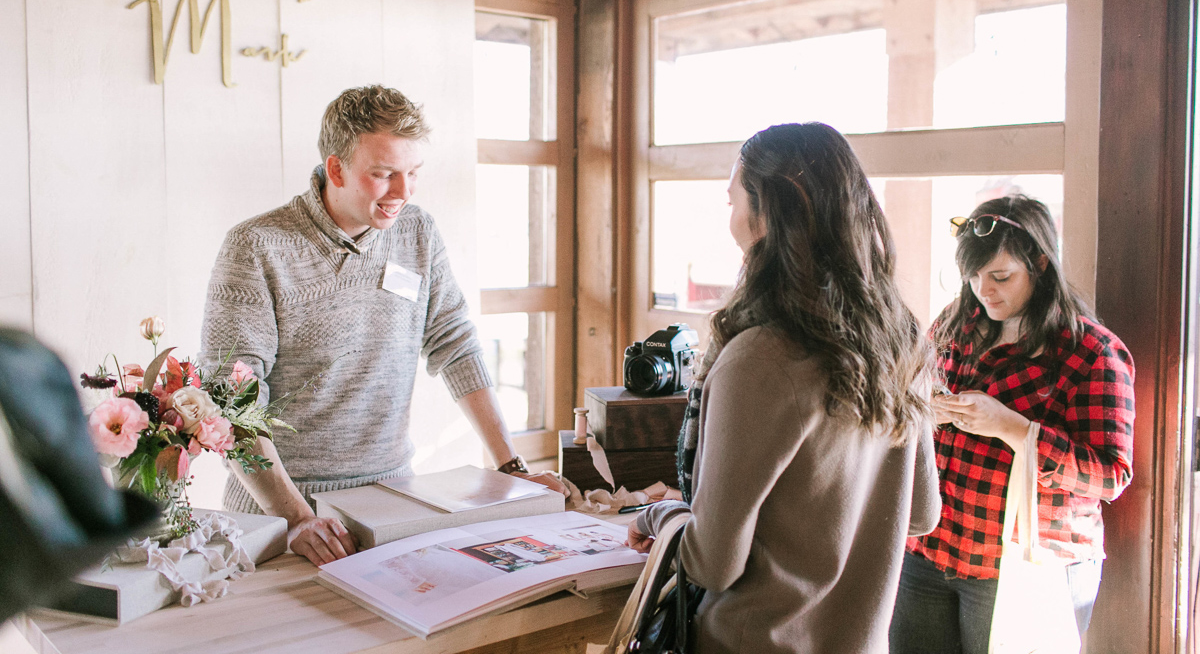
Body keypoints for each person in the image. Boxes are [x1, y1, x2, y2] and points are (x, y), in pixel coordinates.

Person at [199, 85, 564, 567]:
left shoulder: (417, 232)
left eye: (413, 173)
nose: (403, 192)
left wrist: (511, 468)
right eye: (383, 174)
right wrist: (296, 518)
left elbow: (455, 346)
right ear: (336, 169)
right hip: (281, 519)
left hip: (395, 503)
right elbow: (231, 403)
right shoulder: (256, 247)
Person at [627, 122, 941, 654]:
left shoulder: (761, 357)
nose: (729, 220)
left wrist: (657, 515)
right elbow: (921, 513)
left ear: (767, 211)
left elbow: (712, 562)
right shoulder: (901, 339)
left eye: (733, 201)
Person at [889, 194, 1136, 654]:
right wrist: (926, 405)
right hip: (931, 546)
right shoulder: (956, 322)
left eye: (1001, 276)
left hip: (1023, 560)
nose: (986, 290)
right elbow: (912, 388)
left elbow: (1111, 474)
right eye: (974, 277)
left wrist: (1015, 429)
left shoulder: (1091, 352)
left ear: (1040, 264)